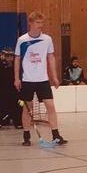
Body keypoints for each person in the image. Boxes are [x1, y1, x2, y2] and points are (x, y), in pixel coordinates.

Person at [15, 11, 65, 147]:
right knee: (27, 108)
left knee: (50, 106)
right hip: (27, 80)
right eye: (37, 23)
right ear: (30, 23)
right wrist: (16, 78)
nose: (40, 25)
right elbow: (17, 59)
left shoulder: (47, 39)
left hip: (43, 79)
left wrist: (54, 76)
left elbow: (51, 57)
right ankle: (26, 135)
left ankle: (56, 134)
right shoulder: (22, 40)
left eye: (41, 23)